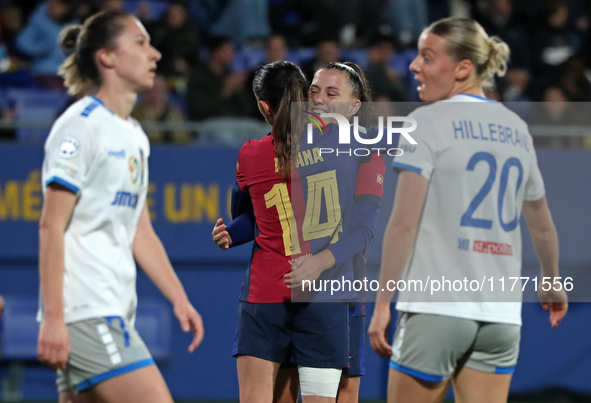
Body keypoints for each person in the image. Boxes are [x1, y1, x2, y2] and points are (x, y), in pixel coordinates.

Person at [368, 17, 568, 403]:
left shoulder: (426, 121)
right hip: (501, 317)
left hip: (435, 308)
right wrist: (551, 279)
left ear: (462, 69)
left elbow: (403, 224)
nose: (414, 66)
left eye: (427, 57)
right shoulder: (517, 128)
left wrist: (381, 304)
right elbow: (542, 225)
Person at [38, 10, 203, 403]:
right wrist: (55, 318)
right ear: (107, 57)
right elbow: (50, 227)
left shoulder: (134, 135)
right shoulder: (80, 125)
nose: (156, 54)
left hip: (111, 309)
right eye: (142, 43)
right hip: (86, 311)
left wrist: (179, 297)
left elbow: (140, 232)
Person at [215, 60, 390, 402]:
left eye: (331, 92)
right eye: (314, 91)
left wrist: (321, 260)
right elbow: (264, 216)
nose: (320, 99)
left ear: (354, 107)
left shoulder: (360, 148)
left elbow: (363, 228)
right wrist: (234, 233)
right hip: (318, 295)